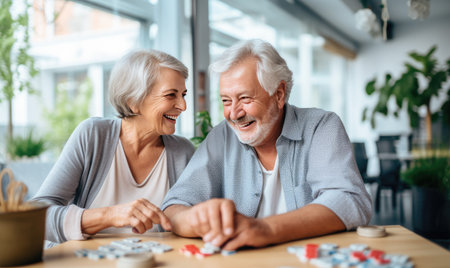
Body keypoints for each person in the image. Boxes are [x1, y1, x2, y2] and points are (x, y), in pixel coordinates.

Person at [161, 39, 372, 250]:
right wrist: (195, 219)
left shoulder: (321, 127)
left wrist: (265, 229)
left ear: (279, 95)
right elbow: (174, 207)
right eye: (226, 101)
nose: (234, 114)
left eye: (244, 98)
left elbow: (348, 200)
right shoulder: (222, 136)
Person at [33, 50, 195, 244]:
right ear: (133, 102)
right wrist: (110, 215)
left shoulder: (183, 152)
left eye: (183, 95)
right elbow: (36, 217)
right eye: (171, 95)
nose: (183, 106)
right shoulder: (92, 135)